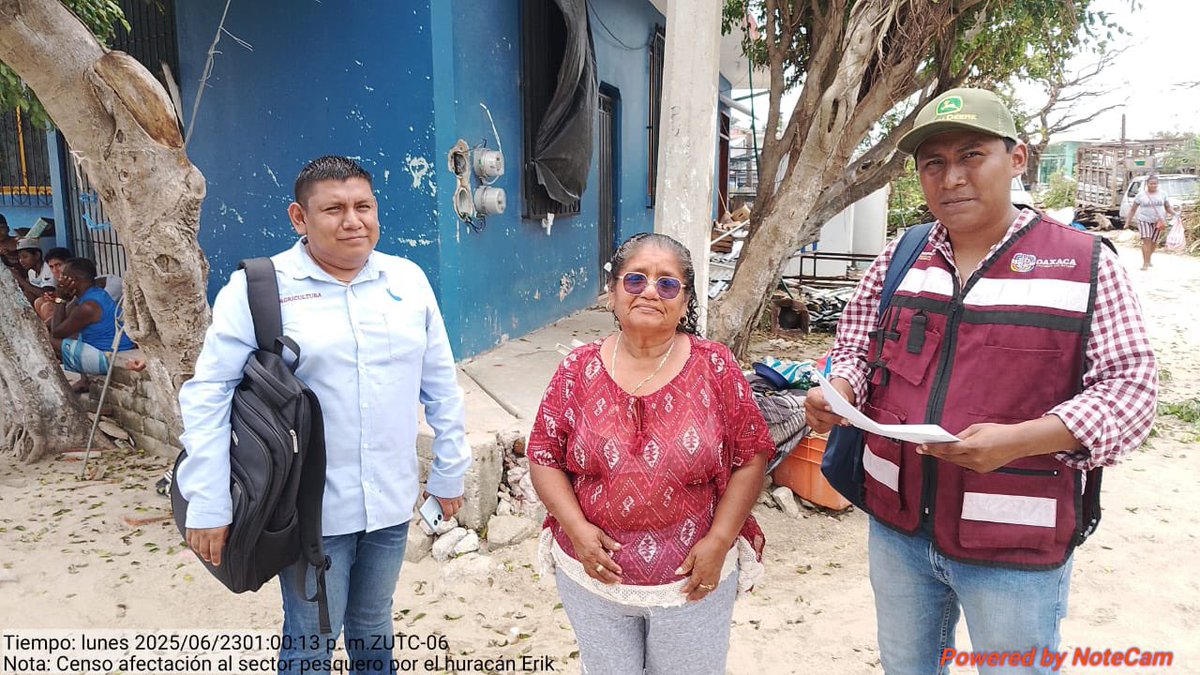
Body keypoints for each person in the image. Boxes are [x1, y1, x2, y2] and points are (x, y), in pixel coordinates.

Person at [805, 88, 1157, 675]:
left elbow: (1131, 390)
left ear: (1017, 158)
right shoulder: (902, 257)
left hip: (1014, 542)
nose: (952, 178)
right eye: (934, 163)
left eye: (972, 155)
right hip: (898, 531)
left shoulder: (1084, 262)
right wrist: (838, 391)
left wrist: (1020, 440)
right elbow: (857, 349)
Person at [175, 156, 471, 675]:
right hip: (307, 507)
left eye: (364, 206)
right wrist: (208, 501)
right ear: (299, 218)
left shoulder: (407, 281)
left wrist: (450, 469)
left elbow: (441, 385)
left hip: (389, 500)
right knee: (312, 636)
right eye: (333, 209)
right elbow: (210, 393)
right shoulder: (261, 288)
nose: (353, 220)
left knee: (374, 623)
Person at [528, 232, 774, 675]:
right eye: (636, 279)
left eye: (668, 284)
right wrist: (578, 530)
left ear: (685, 303)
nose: (649, 292)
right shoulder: (577, 369)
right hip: (594, 578)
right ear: (612, 294)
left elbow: (751, 457)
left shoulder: (714, 365)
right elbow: (544, 455)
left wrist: (719, 541)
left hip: (690, 582)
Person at [47, 257, 144, 391]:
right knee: (77, 332)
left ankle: (83, 380)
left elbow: (57, 331)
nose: (60, 281)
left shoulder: (88, 307)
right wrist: (68, 298)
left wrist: (60, 299)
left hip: (108, 357)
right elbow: (66, 319)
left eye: (64, 277)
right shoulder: (96, 293)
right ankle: (84, 380)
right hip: (115, 348)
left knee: (49, 339)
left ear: (74, 279)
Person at [1127, 174, 1174, 270]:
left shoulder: (1163, 194)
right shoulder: (1141, 195)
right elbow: (1133, 209)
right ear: (1147, 184)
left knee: (1154, 242)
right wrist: (1127, 222)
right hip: (1144, 220)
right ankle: (1145, 263)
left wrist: (1175, 213)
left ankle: (1149, 258)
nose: (1153, 185)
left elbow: (1167, 207)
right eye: (1151, 184)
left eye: (1155, 184)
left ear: (1158, 184)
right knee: (1146, 240)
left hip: (1158, 221)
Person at [33, 247, 73, 322]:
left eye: (58, 265)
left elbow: (73, 302)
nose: (55, 270)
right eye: (51, 267)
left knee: (47, 307)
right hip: (65, 306)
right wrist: (54, 298)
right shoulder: (61, 280)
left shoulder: (73, 277)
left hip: (77, 311)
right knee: (39, 301)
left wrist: (57, 300)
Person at [12, 237, 55, 304]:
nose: (21, 261)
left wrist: (21, 280)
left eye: (25, 256)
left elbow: (47, 295)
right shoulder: (31, 272)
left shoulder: (49, 268)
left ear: (37, 255)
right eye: (19, 257)